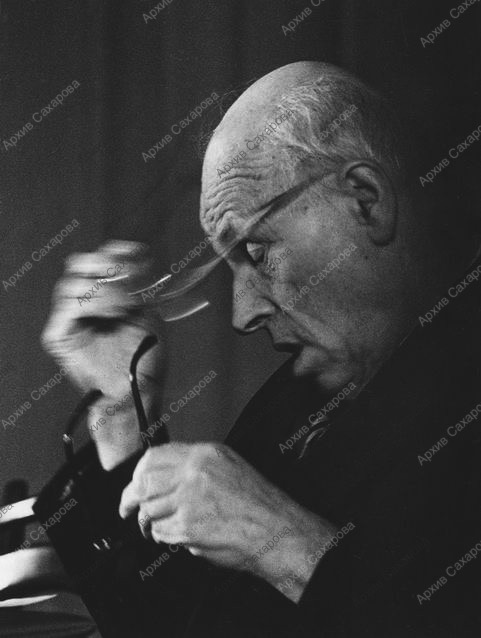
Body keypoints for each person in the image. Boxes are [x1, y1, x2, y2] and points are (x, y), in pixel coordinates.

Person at [34, 61, 481, 637]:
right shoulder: (300, 399)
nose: (242, 315)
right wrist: (122, 412)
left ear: (366, 200)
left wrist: (279, 540)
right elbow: (177, 624)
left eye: (257, 251)